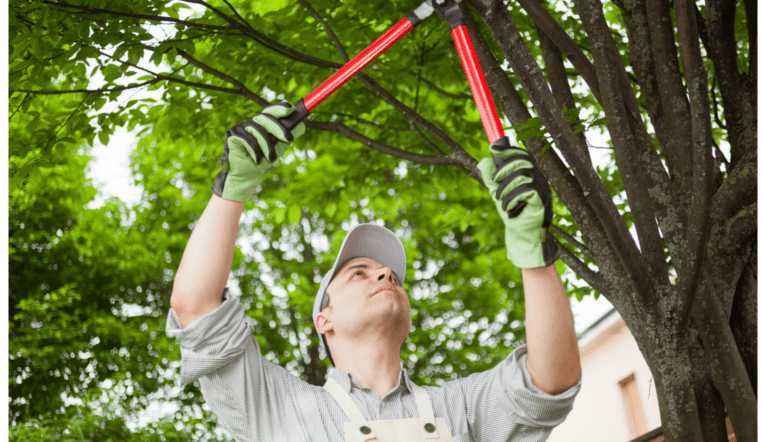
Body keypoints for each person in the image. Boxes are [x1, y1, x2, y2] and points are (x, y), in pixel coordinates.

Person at [166, 103, 582, 442]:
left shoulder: (461, 407)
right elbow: (196, 307)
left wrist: (533, 251)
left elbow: (552, 381)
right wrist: (232, 187)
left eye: (392, 277)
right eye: (359, 273)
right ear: (322, 320)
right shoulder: (278, 408)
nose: (384, 276)